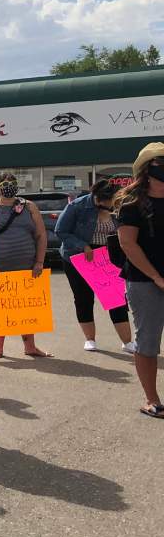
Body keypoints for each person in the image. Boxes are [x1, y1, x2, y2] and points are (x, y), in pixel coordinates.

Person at [114, 143, 164, 420]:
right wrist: (157, 277)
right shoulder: (131, 204)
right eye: (161, 163)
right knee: (148, 341)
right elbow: (128, 244)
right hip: (146, 281)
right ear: (147, 169)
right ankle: (152, 400)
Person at [56, 179, 135, 353]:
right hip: (79, 256)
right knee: (83, 298)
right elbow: (61, 230)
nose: (113, 205)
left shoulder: (119, 205)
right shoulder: (77, 206)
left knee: (116, 299)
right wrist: (82, 245)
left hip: (108, 256)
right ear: (99, 199)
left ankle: (127, 342)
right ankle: (90, 339)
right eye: (110, 202)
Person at [0, 172, 51, 359]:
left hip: (27, 269)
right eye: (4, 183)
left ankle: (30, 347)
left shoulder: (29, 207)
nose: (8, 185)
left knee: (27, 310)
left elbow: (41, 235)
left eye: (12, 182)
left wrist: (39, 261)